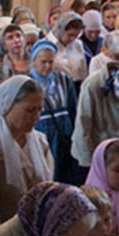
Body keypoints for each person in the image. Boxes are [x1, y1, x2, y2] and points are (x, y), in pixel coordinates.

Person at [0, 75, 54, 222]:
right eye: (30, 110)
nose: (37, 117)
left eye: (39, 110)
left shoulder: (41, 142)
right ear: (8, 106)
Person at [72, 57, 119, 177]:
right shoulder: (92, 86)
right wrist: (90, 162)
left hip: (115, 153)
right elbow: (83, 124)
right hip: (92, 146)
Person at [29, 38, 78, 184]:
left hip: (64, 134)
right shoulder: (27, 82)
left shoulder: (64, 79)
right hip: (42, 133)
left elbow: (73, 108)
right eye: (43, 62)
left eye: (51, 62)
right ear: (34, 61)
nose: (47, 66)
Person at [51, 11, 89, 84]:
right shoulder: (48, 44)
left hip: (76, 85)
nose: (72, 39)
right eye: (70, 35)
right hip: (57, 85)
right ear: (61, 30)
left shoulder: (78, 44)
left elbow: (83, 71)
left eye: (76, 36)